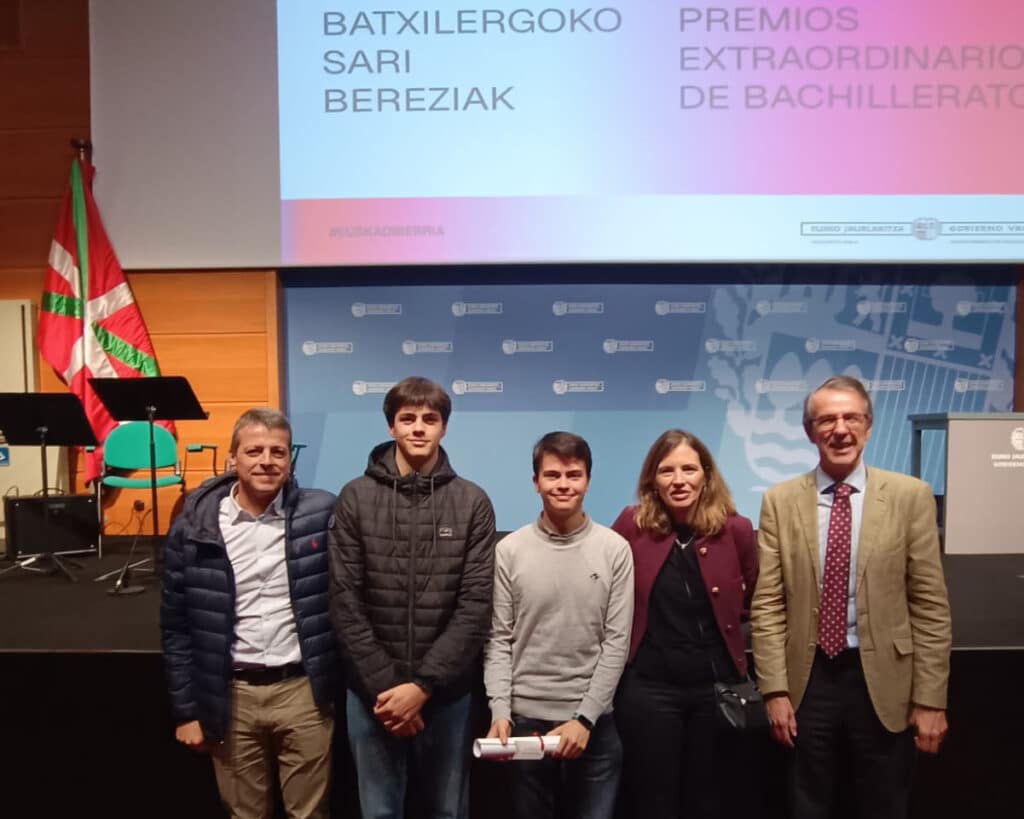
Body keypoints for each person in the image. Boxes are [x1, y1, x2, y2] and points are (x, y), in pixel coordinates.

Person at [751, 375, 952, 819]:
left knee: (884, 804)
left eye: (851, 417)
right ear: (810, 431)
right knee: (807, 804)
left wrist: (931, 698)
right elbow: (767, 605)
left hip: (886, 682)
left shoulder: (910, 497)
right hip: (808, 682)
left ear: (869, 426)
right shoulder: (780, 501)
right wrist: (774, 691)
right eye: (827, 420)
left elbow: (930, 607)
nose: (840, 429)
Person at [329, 376, 496, 819]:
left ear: (443, 427)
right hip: (373, 696)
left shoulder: (472, 502)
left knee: (447, 811)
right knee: (379, 813)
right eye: (408, 418)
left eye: (429, 419)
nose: (418, 428)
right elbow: (344, 600)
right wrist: (388, 689)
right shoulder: (355, 497)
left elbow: (475, 605)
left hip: (446, 694)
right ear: (391, 426)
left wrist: (422, 687)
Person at [160, 408, 338, 819]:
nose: (267, 461)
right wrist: (187, 711)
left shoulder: (320, 514)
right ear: (233, 458)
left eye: (278, 451)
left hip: (302, 693)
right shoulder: (194, 526)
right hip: (231, 696)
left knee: (311, 814)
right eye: (254, 451)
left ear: (290, 460)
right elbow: (176, 626)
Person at [483, 431, 634, 819]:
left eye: (573, 475)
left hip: (594, 724)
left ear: (588, 480)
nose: (563, 484)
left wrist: (584, 719)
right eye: (552, 475)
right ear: (536, 482)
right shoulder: (509, 550)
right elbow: (498, 639)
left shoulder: (615, 549)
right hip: (523, 723)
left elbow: (617, 642)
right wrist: (500, 711)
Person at [610, 428, 758, 819]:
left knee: (707, 800)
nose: (679, 480)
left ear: (706, 475)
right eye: (667, 470)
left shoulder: (737, 530)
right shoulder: (630, 525)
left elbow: (752, 597)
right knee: (652, 801)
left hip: (716, 691)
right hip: (649, 689)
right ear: (652, 480)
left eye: (689, 469)